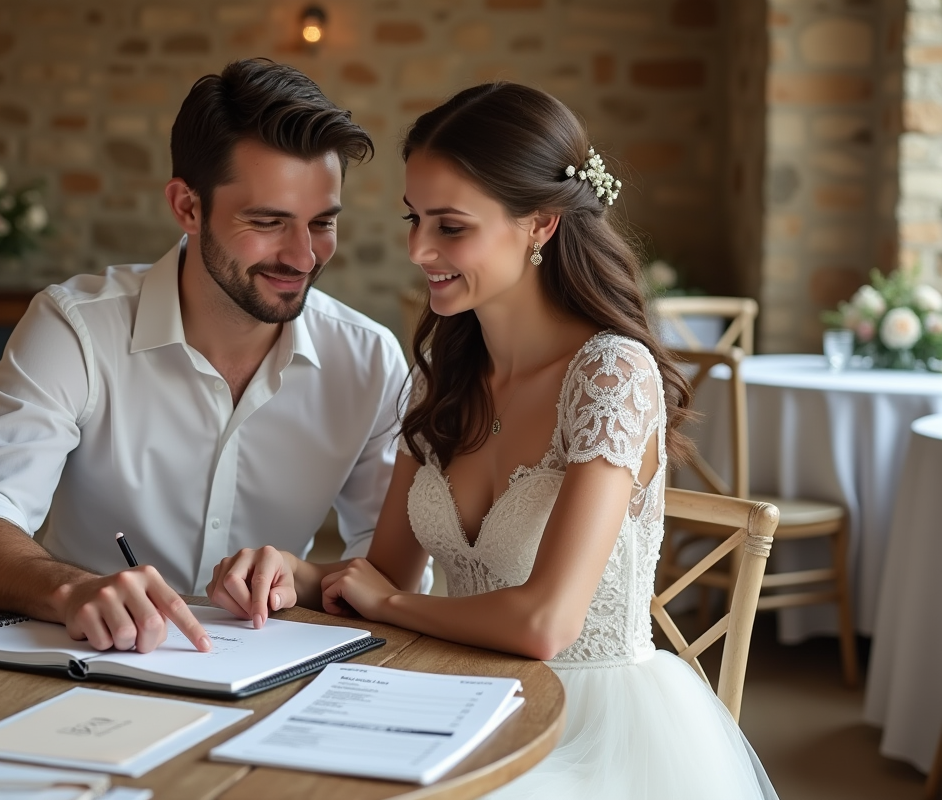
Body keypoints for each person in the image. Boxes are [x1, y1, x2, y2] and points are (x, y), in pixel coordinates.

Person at [209, 83, 778, 799]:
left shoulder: (610, 374)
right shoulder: (439, 374)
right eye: (415, 219)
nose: (418, 249)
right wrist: (295, 571)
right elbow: (383, 570)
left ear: (539, 224)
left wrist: (388, 606)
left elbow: (545, 623)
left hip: (591, 728)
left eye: (451, 226)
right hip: (457, 701)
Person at [0, 58, 414, 658]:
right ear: (187, 206)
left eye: (323, 223)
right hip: (94, 661)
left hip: (275, 675)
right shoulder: (75, 327)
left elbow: (395, 577)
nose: (304, 257)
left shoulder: (367, 359)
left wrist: (298, 579)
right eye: (267, 221)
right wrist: (72, 588)